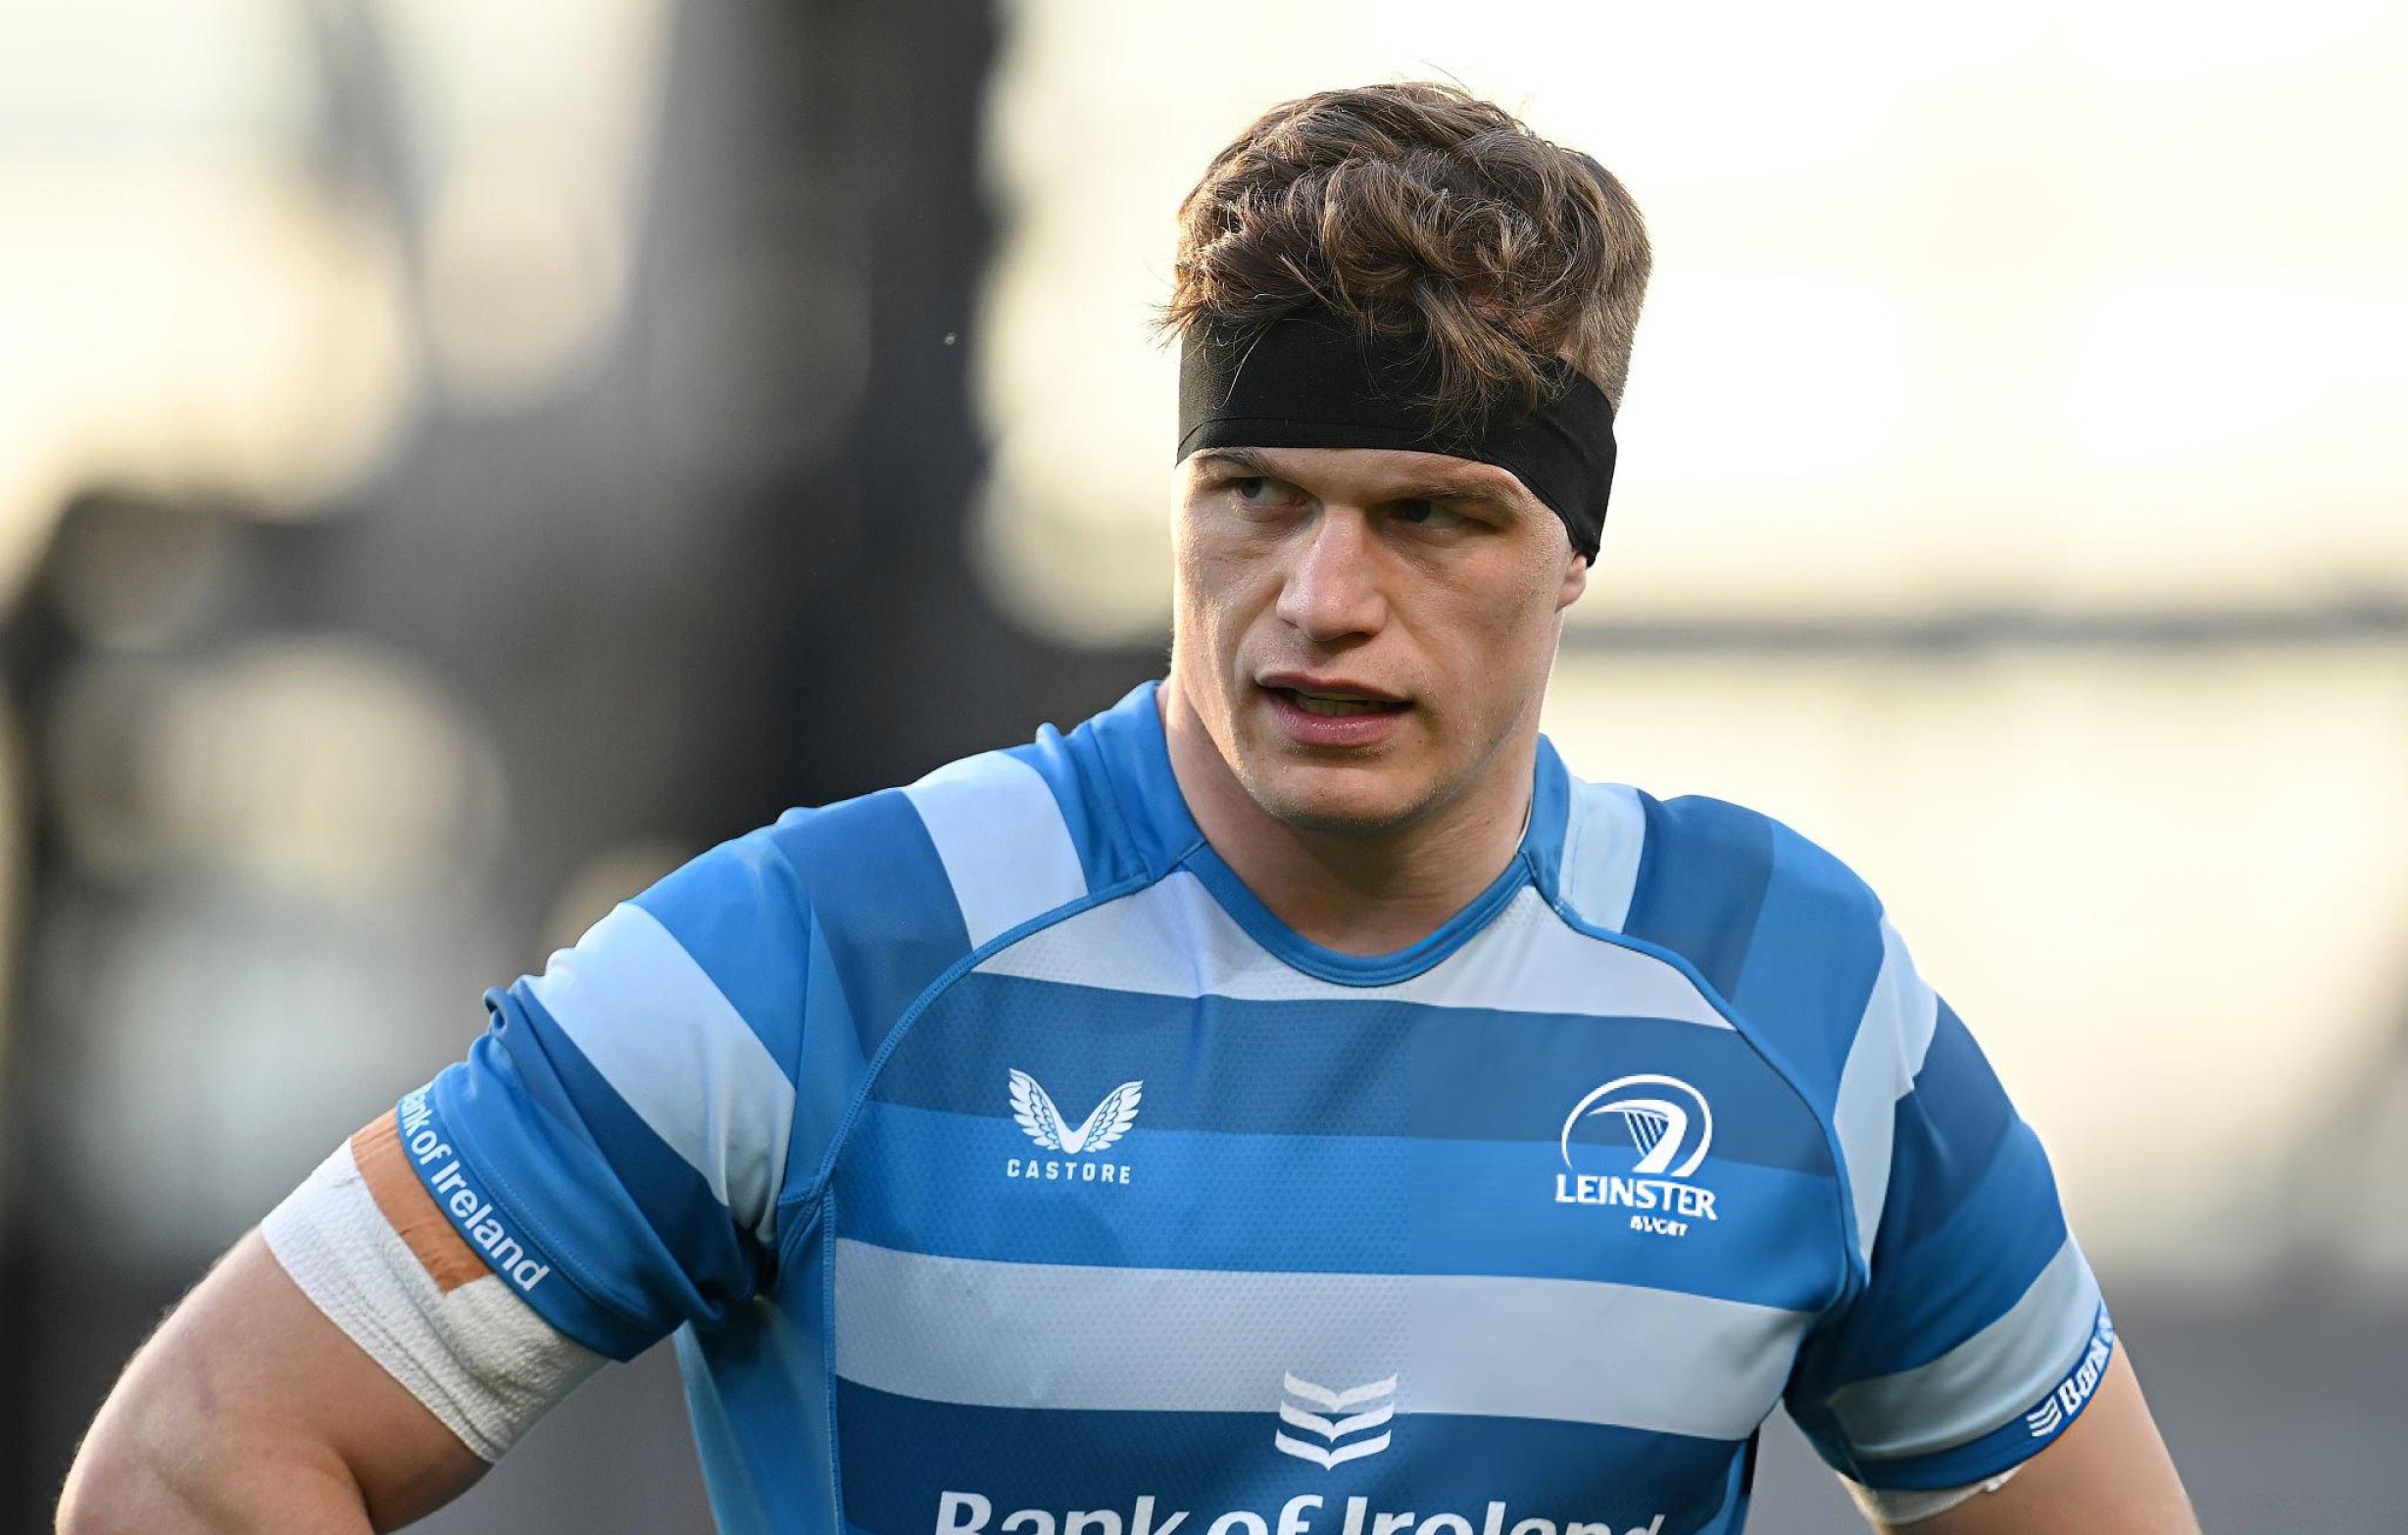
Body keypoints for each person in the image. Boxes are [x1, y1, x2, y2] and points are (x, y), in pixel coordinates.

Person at [59, 81, 2196, 1535]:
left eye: (1431, 517)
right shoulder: (822, 953)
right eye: (1253, 495)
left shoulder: (1793, 994)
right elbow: (196, 1462)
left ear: (1570, 552)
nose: (1321, 598)